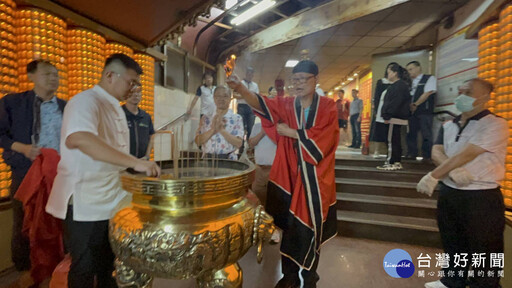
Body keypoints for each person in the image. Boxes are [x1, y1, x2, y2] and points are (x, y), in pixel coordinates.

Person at [45, 53, 161, 288]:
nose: (133, 88)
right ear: (110, 75)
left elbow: (112, 158)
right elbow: (80, 138)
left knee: (109, 266)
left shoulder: (115, 109)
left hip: (110, 199)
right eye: (130, 82)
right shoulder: (85, 101)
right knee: (84, 267)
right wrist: (136, 162)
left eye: (136, 84)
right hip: (84, 201)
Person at [227, 60, 339, 288]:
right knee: (289, 228)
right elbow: (262, 103)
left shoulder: (328, 106)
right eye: (294, 80)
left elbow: (326, 139)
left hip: (315, 181)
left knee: (311, 230)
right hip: (289, 177)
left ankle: (310, 279)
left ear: (315, 80)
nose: (297, 84)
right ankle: (289, 278)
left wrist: (293, 132)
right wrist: (241, 89)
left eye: (302, 79)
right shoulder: (288, 104)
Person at [418, 79, 507, 288]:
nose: (461, 95)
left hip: (481, 195)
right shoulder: (449, 124)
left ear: (485, 97)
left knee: (486, 247)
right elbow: (436, 151)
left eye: (467, 92)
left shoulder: (495, 124)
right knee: (452, 239)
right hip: (451, 191)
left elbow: (469, 153)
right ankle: (452, 280)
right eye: (460, 90)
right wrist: (453, 171)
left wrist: (435, 175)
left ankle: (484, 285)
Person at [0, 59, 66, 284]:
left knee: (59, 222)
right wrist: (22, 148)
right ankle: (25, 271)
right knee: (25, 223)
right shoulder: (13, 103)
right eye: (47, 73)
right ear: (31, 76)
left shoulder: (66, 107)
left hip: (61, 174)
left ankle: (58, 268)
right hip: (26, 173)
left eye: (56, 74)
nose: (53, 78)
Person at [376, 63, 411, 171]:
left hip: (394, 118)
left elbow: (394, 103)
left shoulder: (398, 86)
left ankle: (391, 161)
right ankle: (396, 161)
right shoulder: (398, 85)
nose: (388, 74)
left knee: (392, 141)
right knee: (395, 140)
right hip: (395, 118)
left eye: (389, 72)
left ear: (395, 73)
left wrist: (387, 115)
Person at [195, 85, 244, 160]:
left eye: (225, 96)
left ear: (230, 99)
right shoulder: (206, 118)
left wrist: (221, 130)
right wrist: (213, 130)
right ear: (214, 98)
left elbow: (239, 143)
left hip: (228, 160)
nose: (221, 99)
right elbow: (198, 141)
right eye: (218, 96)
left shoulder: (236, 118)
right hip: (207, 159)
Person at [405, 61, 437, 161]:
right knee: (411, 133)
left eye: (411, 69)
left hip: (424, 111)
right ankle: (411, 153)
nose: (409, 72)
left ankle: (427, 155)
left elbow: (428, 92)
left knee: (426, 133)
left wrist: (416, 104)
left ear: (418, 68)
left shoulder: (429, 78)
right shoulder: (409, 82)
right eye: (408, 70)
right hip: (411, 113)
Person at [122, 87, 155, 159]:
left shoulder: (146, 116)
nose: (135, 94)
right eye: (132, 92)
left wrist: (147, 155)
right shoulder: (118, 114)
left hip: (142, 162)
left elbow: (151, 137)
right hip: (123, 163)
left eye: (138, 92)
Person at [370, 64, 393, 158]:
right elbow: (377, 97)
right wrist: (376, 110)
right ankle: (377, 150)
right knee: (378, 131)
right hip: (380, 110)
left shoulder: (398, 83)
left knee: (390, 132)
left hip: (392, 110)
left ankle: (389, 151)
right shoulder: (381, 82)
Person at [236, 67, 259, 139]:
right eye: (248, 74)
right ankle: (241, 145)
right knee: (240, 127)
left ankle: (249, 146)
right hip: (241, 107)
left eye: (251, 74)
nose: (250, 75)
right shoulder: (240, 83)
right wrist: (246, 96)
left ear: (253, 75)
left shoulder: (255, 85)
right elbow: (234, 95)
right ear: (246, 74)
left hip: (251, 107)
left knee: (251, 128)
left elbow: (256, 97)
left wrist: (246, 96)